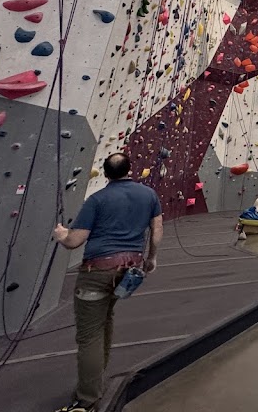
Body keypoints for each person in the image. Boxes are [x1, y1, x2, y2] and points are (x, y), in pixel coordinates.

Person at [52, 154, 163, 412]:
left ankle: (87, 398)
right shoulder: (149, 195)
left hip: (97, 271)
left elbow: (75, 241)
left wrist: (61, 235)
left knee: (90, 334)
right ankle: (96, 378)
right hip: (129, 269)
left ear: (105, 174)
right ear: (129, 169)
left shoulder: (97, 199)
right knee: (106, 318)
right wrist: (151, 258)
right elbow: (157, 230)